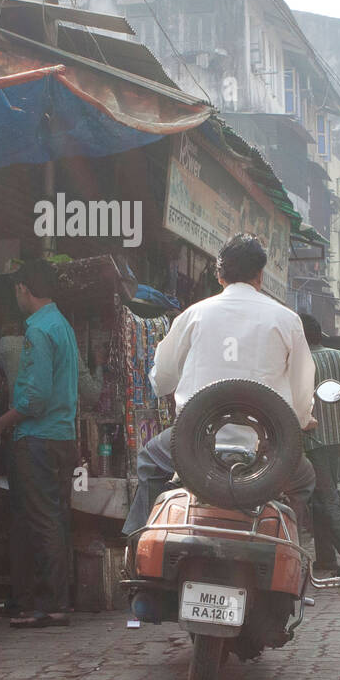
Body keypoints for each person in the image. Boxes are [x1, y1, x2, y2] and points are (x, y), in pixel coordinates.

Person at [120, 235, 319, 550]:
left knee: (149, 461)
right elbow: (302, 388)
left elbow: (162, 380)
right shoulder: (286, 319)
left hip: (194, 446)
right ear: (260, 275)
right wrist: (303, 418)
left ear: (219, 275)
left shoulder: (194, 315)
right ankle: (284, 547)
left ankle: (138, 543)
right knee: (305, 480)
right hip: (265, 451)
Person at [0, 260, 81, 629]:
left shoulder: (39, 329)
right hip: (59, 437)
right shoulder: (62, 325)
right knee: (40, 518)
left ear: (24, 288)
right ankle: (26, 600)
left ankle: (52, 604)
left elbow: (34, 399)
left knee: (42, 520)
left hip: (38, 438)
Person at [300, 313, 340, 576]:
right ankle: (325, 559)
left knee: (326, 498)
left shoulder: (300, 363)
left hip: (312, 441)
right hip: (338, 439)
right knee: (320, 500)